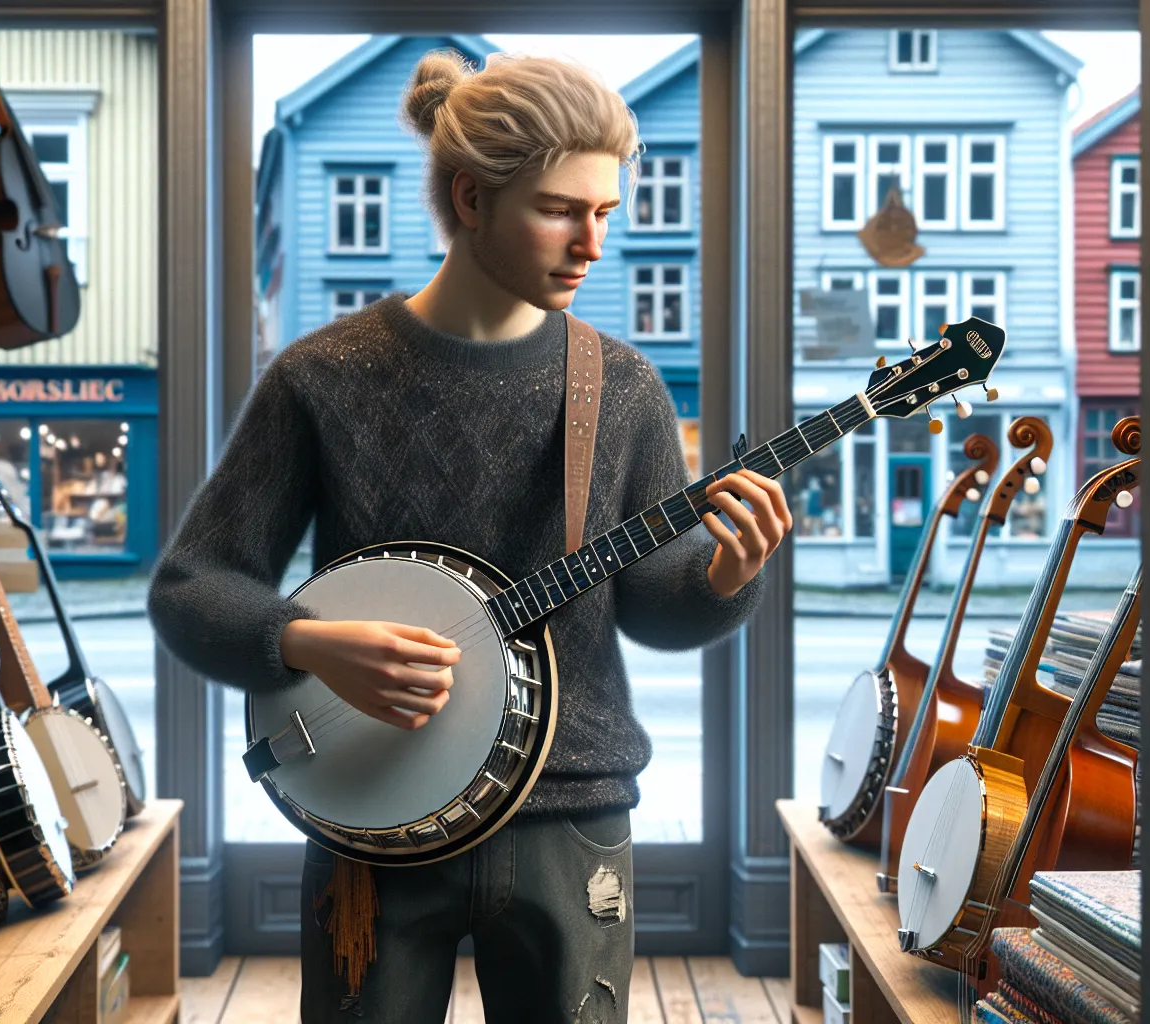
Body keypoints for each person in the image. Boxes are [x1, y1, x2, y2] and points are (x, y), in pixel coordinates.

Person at [147, 47, 791, 1023]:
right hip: (372, 813)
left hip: (572, 815)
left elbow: (653, 603)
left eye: (604, 212)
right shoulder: (321, 376)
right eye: (559, 210)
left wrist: (724, 575)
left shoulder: (622, 387)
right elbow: (191, 586)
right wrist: (308, 643)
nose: (591, 244)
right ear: (472, 198)